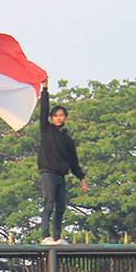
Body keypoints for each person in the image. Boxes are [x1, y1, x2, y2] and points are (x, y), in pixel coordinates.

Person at [37, 78, 88, 245]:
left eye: (61, 115)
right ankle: (45, 236)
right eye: (55, 116)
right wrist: (45, 88)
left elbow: (73, 161)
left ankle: (57, 237)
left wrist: (82, 177)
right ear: (52, 118)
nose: (58, 118)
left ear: (65, 117)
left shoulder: (67, 139)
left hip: (61, 176)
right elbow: (43, 109)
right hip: (48, 173)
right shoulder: (46, 129)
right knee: (49, 204)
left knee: (60, 207)